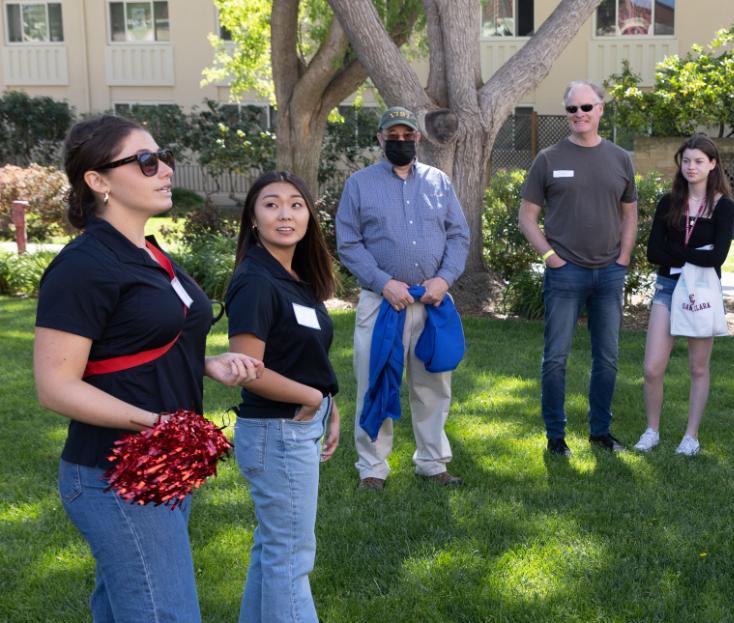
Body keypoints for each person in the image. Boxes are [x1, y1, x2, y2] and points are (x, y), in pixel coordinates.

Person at [33, 115, 262, 622]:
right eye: (146, 161)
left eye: (164, 159)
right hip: (113, 475)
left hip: (163, 468)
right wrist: (157, 424)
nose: (165, 171)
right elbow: (55, 386)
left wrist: (207, 364)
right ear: (98, 180)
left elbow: (141, 341)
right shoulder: (84, 266)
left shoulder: (150, 253)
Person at [225, 172, 341, 622]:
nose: (285, 213)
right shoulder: (255, 280)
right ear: (253, 219)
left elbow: (303, 355)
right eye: (271, 204)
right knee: (290, 557)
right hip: (277, 432)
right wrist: (312, 398)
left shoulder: (293, 277)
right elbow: (247, 369)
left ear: (309, 216)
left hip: (293, 425)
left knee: (275, 547)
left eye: (295, 204)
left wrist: (327, 403)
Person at [336, 106, 470, 488]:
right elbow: (348, 242)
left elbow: (458, 235)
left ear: (418, 139)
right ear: (379, 139)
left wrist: (443, 280)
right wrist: (383, 282)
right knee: (375, 381)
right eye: (391, 137)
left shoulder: (438, 181)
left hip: (432, 302)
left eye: (406, 136)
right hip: (382, 304)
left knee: (433, 385)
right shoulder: (359, 184)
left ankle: (432, 462)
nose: (400, 142)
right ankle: (373, 469)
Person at [518, 80, 638, 456]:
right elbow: (527, 217)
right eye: (572, 109)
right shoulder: (549, 159)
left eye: (587, 107)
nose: (579, 115)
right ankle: (556, 436)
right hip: (565, 273)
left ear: (601, 108)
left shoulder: (620, 159)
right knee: (555, 358)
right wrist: (549, 257)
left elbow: (630, 213)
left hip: (609, 273)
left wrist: (624, 257)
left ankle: (600, 431)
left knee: (608, 357)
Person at [634, 135, 734, 456]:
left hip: (701, 292)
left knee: (698, 368)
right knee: (652, 367)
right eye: (687, 161)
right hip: (667, 288)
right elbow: (653, 252)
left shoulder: (723, 206)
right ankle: (652, 430)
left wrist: (676, 251)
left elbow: (717, 257)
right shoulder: (669, 203)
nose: (692, 167)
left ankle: (691, 436)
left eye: (699, 161)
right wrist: (693, 251)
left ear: (713, 164)